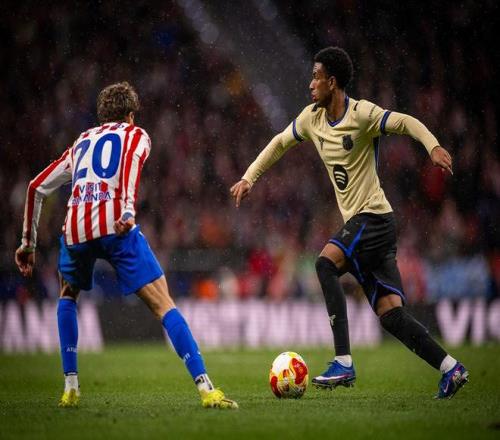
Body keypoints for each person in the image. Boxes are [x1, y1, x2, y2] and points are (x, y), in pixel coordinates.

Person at [230, 47, 468, 399]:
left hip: (374, 218)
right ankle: (451, 368)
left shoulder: (362, 114)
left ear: (333, 81)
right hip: (369, 227)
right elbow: (280, 143)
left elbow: (405, 122)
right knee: (391, 315)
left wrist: (432, 146)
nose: (310, 84)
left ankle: (342, 361)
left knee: (325, 263)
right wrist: (249, 177)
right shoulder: (311, 118)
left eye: (316, 77)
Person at [15, 82, 237, 409]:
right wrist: (129, 211)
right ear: (131, 115)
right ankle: (206, 389)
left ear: (101, 114)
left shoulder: (81, 142)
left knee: (67, 295)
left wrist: (27, 243)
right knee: (164, 304)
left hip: (76, 228)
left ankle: (70, 386)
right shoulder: (136, 135)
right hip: (117, 225)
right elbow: (130, 170)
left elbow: (36, 187)